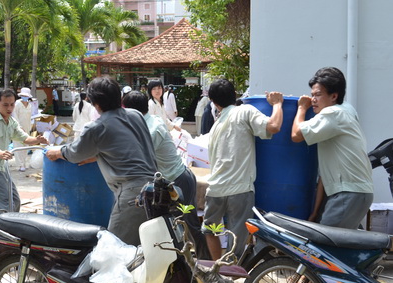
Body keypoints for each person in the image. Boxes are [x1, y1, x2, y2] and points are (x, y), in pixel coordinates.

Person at [46, 76, 157, 246]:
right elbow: (125, 145)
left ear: (94, 103)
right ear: (119, 97)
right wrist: (99, 154)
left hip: (132, 195)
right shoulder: (135, 115)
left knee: (114, 251)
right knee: (145, 250)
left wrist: (58, 151)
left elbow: (76, 153)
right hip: (156, 188)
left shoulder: (97, 127)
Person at [123, 90, 211, 260]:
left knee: (189, 225)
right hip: (174, 179)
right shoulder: (150, 121)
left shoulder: (150, 130)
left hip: (179, 181)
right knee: (174, 226)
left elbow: (139, 159)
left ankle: (206, 266)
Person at [203, 79, 284, 260]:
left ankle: (218, 269)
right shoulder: (245, 111)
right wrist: (278, 104)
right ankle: (230, 273)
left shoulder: (215, 126)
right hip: (239, 191)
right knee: (236, 240)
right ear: (235, 95)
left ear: (214, 103)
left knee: (210, 230)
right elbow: (274, 126)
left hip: (215, 190)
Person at [291, 67, 373, 229]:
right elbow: (324, 175)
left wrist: (301, 108)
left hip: (348, 192)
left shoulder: (333, 113)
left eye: (318, 95)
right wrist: (315, 212)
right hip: (354, 191)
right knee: (342, 245)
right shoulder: (346, 112)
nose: (313, 99)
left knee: (324, 245)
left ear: (334, 96)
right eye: (312, 95)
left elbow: (296, 135)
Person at [0, 88, 48, 212]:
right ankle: (4, 229)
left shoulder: (11, 122)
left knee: (15, 201)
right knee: (6, 204)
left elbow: (24, 138)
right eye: (5, 105)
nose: (9, 108)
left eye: (12, 104)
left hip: (1, 168)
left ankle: (11, 226)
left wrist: (37, 140)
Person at [13, 87, 33, 172]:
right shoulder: (17, 104)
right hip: (17, 129)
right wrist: (19, 127)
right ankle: (20, 165)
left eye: (26, 95)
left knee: (25, 146)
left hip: (27, 128)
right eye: (23, 95)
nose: (24, 97)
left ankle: (24, 163)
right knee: (18, 146)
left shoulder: (30, 105)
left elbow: (30, 117)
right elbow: (14, 116)